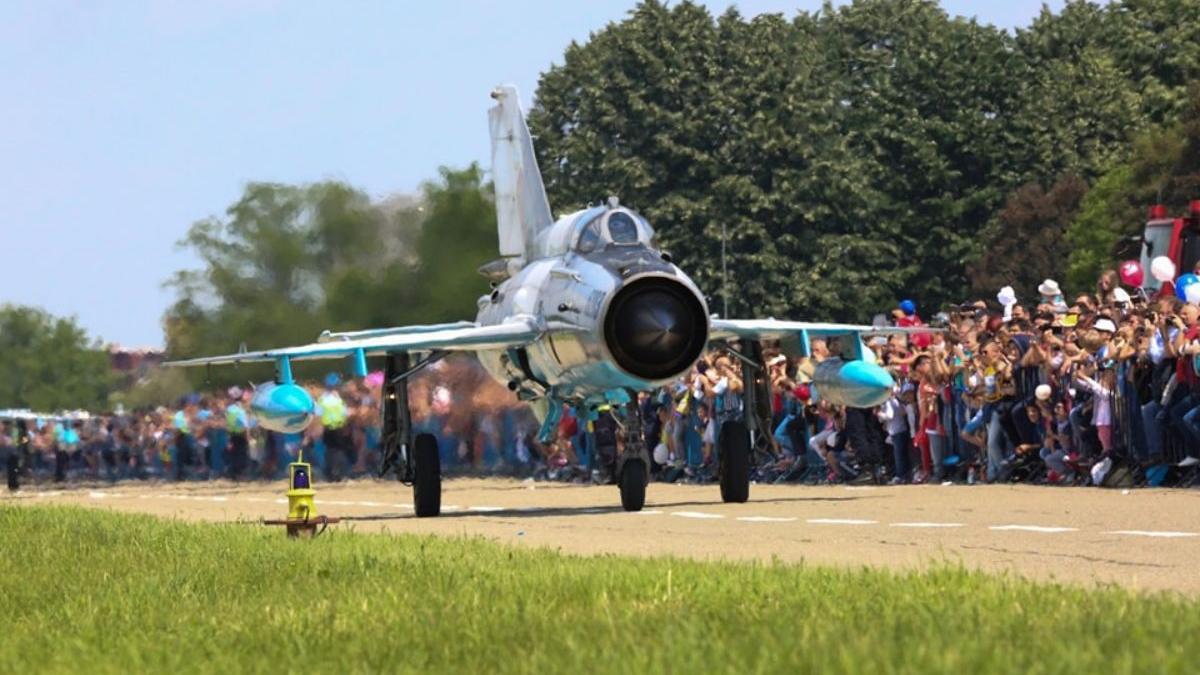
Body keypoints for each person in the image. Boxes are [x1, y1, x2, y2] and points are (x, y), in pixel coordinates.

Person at [318, 374, 353, 481]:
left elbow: (318, 413)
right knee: (339, 450)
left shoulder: (322, 399)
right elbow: (345, 413)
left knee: (330, 450)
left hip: (326, 428)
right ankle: (338, 473)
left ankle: (330, 473)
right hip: (338, 428)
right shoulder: (338, 399)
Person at [225, 387, 250, 480]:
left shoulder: (229, 409)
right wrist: (248, 437)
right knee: (242, 455)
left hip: (232, 435)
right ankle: (241, 475)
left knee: (234, 455)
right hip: (241, 435)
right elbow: (245, 425)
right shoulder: (240, 410)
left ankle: (234, 475)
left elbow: (227, 424)